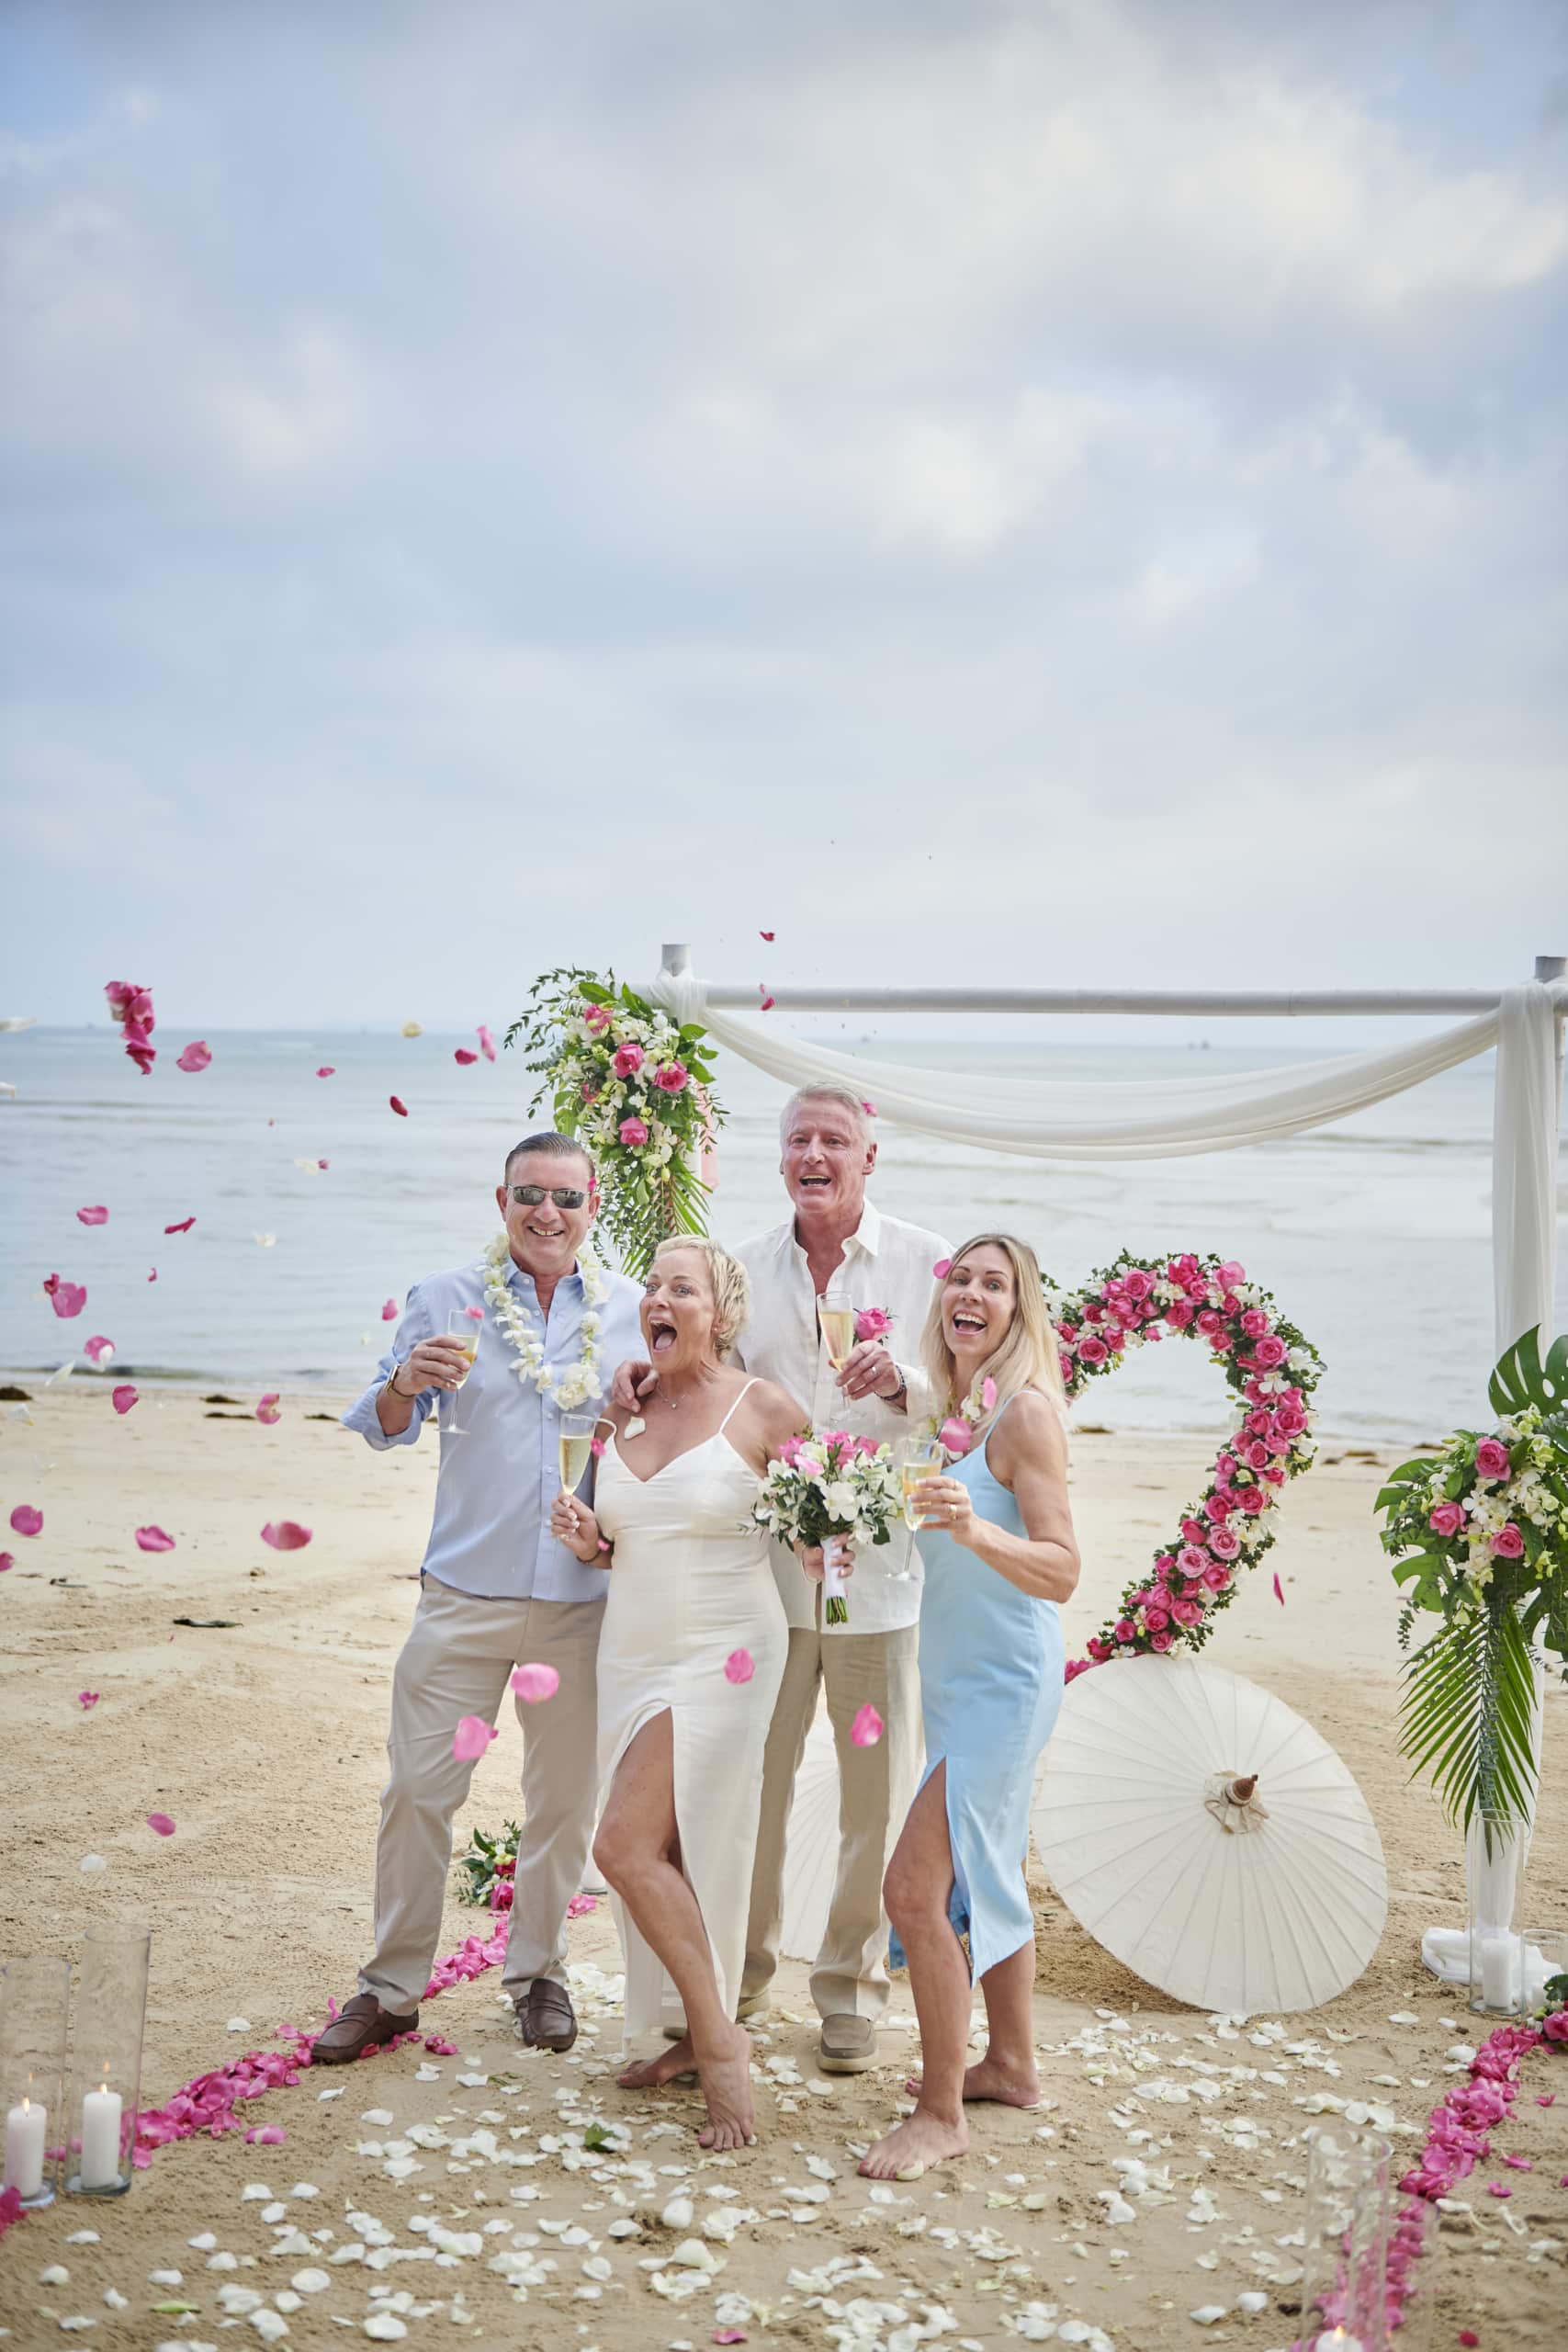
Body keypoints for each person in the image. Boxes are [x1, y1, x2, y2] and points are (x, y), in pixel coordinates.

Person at [615, 1082, 948, 2077]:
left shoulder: (926, 1261)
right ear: (780, 1156)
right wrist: (636, 1378)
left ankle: (848, 1990)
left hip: (878, 1583)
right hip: (764, 1586)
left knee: (869, 1800)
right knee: (746, 1791)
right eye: (799, 1138)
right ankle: (740, 1979)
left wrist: (904, 1383)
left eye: (834, 1140)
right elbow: (699, 1382)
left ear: (867, 1157)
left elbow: (963, 1393)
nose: (815, 1155)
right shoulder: (746, 1267)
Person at [321, 1133, 644, 2064]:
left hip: (581, 1600)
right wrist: (402, 1382)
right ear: (501, 1200)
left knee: (562, 1803)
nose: (548, 1213)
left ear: (592, 1206)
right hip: (462, 1597)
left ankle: (539, 1974)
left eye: (568, 1198)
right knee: (418, 1791)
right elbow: (387, 1426)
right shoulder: (442, 1297)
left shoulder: (630, 1310)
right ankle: (391, 1989)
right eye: (530, 1194)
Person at [549, 1238, 803, 2149]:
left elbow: (825, 1514)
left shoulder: (764, 1406)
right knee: (668, 1847)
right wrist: (587, 1540)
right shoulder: (622, 1408)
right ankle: (692, 2035)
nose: (657, 1298)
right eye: (652, 1285)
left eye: (680, 1288)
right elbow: (615, 1542)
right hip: (632, 1649)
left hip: (726, 1649)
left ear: (721, 1314)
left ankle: (721, 2040)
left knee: (621, 1844)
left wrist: (832, 1543)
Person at [859, 1232, 1079, 2181]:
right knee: (989, 1872)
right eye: (961, 1278)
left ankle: (941, 2112)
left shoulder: (1023, 1414)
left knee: (914, 1891)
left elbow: (1062, 1569)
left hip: (1004, 1683)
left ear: (1019, 1312)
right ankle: (1013, 2065)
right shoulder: (953, 1416)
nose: (972, 1293)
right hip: (952, 1681)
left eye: (997, 1284)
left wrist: (976, 1529)